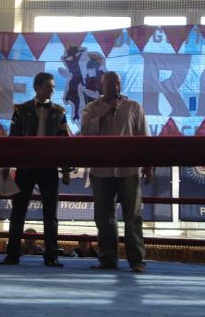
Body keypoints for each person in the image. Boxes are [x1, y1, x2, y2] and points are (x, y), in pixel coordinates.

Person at [81, 71, 152, 273]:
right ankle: (108, 259)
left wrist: (148, 166)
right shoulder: (92, 108)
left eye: (118, 83)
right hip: (101, 170)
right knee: (104, 217)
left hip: (128, 169)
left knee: (133, 216)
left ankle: (137, 260)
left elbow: (144, 137)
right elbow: (85, 132)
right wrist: (106, 113)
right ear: (102, 86)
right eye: (111, 84)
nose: (115, 87)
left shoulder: (133, 106)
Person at [0, 72, 70, 268]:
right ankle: (12, 254)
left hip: (49, 167)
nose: (52, 90)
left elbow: (65, 142)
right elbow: (13, 141)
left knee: (50, 213)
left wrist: (66, 170)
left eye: (53, 87)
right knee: (18, 211)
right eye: (48, 86)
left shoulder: (59, 112)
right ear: (37, 87)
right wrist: (9, 169)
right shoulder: (20, 110)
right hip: (25, 166)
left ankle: (52, 256)